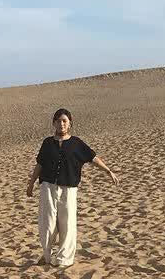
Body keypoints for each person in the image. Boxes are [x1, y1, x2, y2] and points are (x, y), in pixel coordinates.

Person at [26, 108, 117, 268]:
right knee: (47, 223)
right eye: (58, 121)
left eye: (64, 121)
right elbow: (40, 164)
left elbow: (92, 158)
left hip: (69, 189)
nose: (61, 124)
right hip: (48, 187)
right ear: (54, 123)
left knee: (67, 223)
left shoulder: (76, 143)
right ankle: (46, 256)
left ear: (69, 124)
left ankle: (63, 259)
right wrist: (31, 183)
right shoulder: (47, 143)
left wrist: (108, 171)